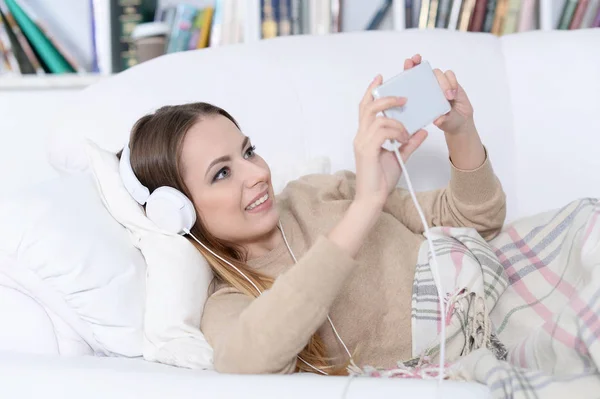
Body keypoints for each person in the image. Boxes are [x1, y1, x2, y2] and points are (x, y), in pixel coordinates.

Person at [121, 54, 506, 375]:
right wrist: (365, 207)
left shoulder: (318, 190)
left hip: (505, 286)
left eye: (249, 151)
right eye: (222, 173)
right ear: (179, 211)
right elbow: (244, 361)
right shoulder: (229, 301)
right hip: (479, 350)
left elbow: (478, 220)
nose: (258, 174)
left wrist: (460, 130)